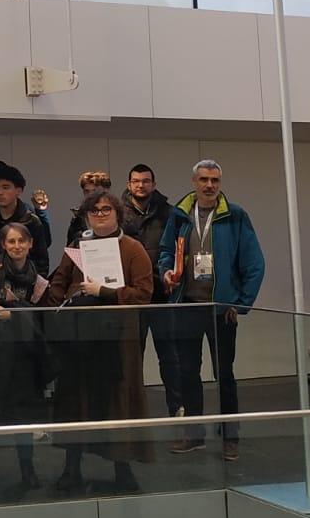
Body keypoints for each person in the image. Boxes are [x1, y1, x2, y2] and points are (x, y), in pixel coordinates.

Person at [43, 189, 154, 496]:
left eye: (107, 209)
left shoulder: (133, 249)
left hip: (118, 340)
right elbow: (57, 285)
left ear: (118, 213)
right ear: (86, 215)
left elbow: (144, 293)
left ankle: (123, 468)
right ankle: (71, 468)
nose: (101, 214)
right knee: (75, 399)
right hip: (80, 338)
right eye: (95, 210)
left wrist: (104, 293)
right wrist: (71, 299)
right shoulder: (76, 247)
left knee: (119, 399)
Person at [157, 160, 265, 462]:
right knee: (187, 372)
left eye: (215, 180)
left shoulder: (236, 215)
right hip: (188, 305)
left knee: (225, 375)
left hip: (222, 310)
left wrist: (240, 303)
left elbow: (254, 262)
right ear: (194, 182)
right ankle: (194, 435)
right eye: (203, 179)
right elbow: (166, 251)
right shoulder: (180, 215)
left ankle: (230, 437)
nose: (209, 185)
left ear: (220, 182)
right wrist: (166, 272)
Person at [0, 222, 51, 493]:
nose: (17, 246)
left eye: (21, 241)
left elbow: (41, 318)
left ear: (30, 244)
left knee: (23, 417)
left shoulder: (39, 281)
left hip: (23, 356)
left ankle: (28, 471)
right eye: (11, 241)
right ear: (3, 244)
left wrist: (12, 312)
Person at [121, 163, 175, 414]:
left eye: (145, 181)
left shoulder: (169, 212)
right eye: (136, 181)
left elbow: (176, 249)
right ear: (129, 184)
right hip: (131, 296)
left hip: (162, 295)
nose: (141, 185)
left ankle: (178, 409)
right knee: (132, 358)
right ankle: (133, 412)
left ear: (153, 184)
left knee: (170, 356)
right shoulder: (117, 213)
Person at [0, 165, 49, 280]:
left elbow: (41, 260)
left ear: (19, 190)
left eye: (6, 187)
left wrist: (34, 282)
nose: (0, 192)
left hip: (24, 282)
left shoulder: (31, 220)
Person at [64, 171, 115, 243]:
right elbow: (71, 245)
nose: (90, 195)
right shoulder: (78, 218)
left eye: (94, 191)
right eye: (87, 191)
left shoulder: (116, 214)